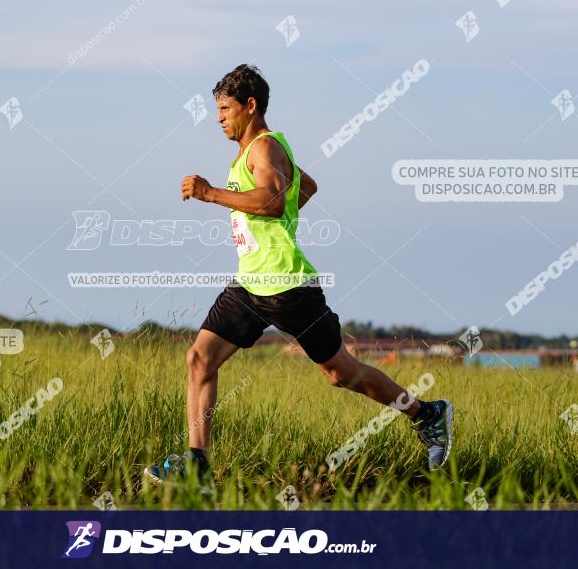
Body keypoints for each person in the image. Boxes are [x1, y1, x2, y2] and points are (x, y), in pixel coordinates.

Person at [145, 64, 453, 486]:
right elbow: (303, 187)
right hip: (251, 283)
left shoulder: (264, 148)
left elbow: (273, 199)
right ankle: (197, 466)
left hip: (288, 286)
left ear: (250, 106)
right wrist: (281, 218)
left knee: (340, 373)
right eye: (216, 109)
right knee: (199, 359)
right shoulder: (257, 151)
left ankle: (427, 414)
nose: (218, 117)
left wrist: (210, 193)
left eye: (225, 108)